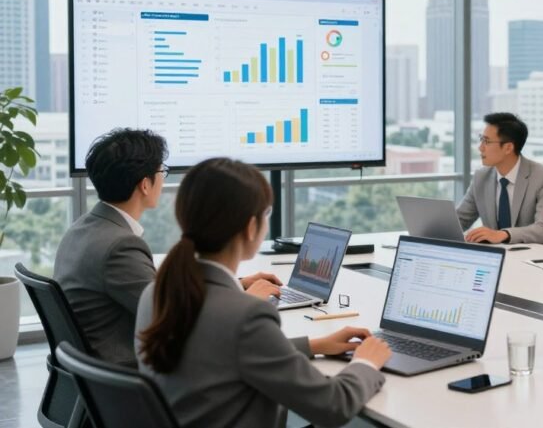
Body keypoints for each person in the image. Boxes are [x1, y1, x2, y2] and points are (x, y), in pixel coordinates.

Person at [136, 158, 392, 428]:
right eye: (266, 213)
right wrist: (365, 363)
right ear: (250, 227)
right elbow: (334, 406)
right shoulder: (245, 315)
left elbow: (221, 353)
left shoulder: (155, 293)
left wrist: (314, 345)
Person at [54, 129, 281, 367]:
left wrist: (234, 283)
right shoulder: (119, 246)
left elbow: (169, 298)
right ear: (145, 185)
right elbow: (177, 318)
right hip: (129, 372)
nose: (163, 179)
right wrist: (246, 301)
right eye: (162, 171)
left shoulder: (83, 228)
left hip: (92, 368)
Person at [457, 112, 543, 245]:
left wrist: (503, 234)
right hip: (494, 253)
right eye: (481, 139)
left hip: (528, 254)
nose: (480, 148)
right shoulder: (481, 177)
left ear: (508, 148)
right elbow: (460, 219)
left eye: (486, 141)